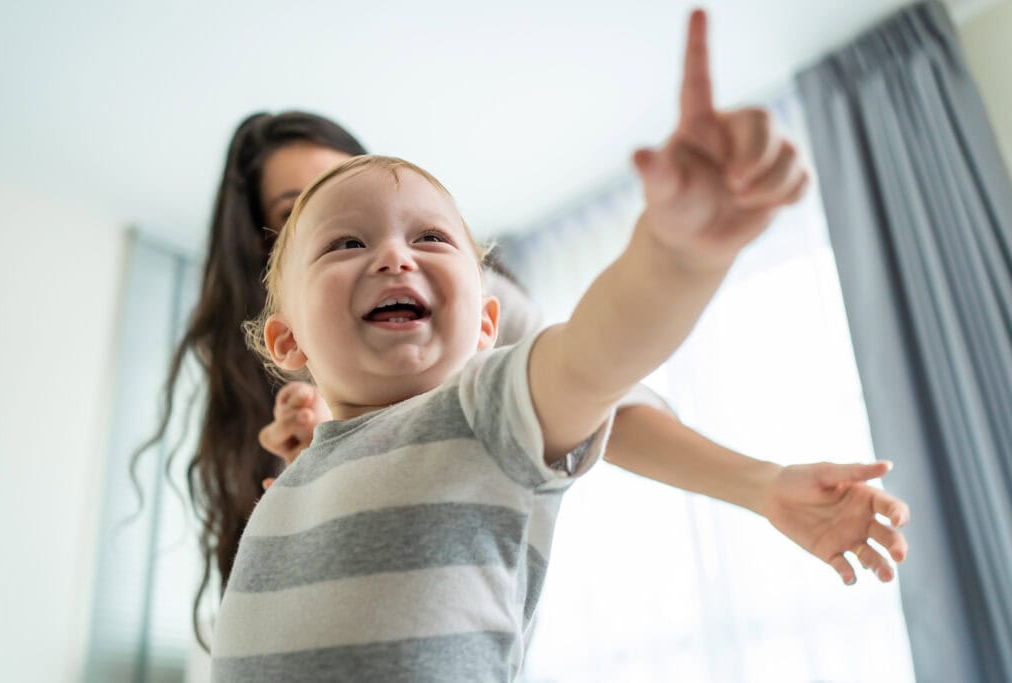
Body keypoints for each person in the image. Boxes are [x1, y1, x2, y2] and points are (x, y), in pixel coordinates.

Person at [137, 9, 909, 655]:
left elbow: (601, 356)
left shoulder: (484, 403)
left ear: (486, 321)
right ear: (285, 339)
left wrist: (679, 251)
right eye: (336, 233)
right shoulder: (290, 461)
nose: (393, 253)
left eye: (429, 237)